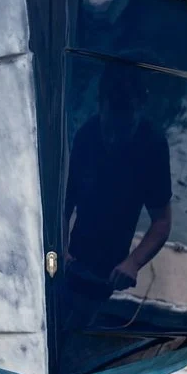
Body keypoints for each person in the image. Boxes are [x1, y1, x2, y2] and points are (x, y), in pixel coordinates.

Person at [61, 64, 172, 328]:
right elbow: (64, 208)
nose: (114, 139)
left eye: (124, 129)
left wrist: (133, 262)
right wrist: (61, 247)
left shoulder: (153, 145)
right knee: (65, 313)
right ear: (100, 107)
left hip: (114, 260)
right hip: (76, 253)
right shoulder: (86, 136)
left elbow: (162, 221)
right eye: (109, 129)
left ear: (140, 109)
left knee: (87, 318)